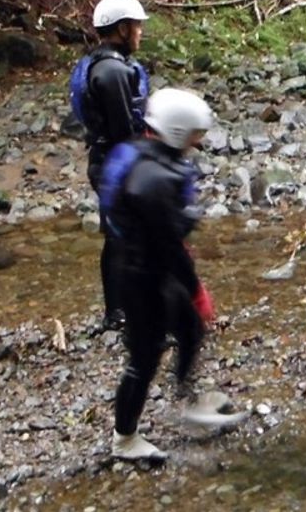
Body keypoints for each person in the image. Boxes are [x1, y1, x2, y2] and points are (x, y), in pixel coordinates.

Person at [102, 87, 224, 461]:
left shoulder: (147, 154)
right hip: (142, 276)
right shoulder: (153, 178)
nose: (198, 142)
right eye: (194, 135)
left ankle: (189, 401)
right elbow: (169, 243)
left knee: (190, 329)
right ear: (176, 132)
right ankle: (124, 439)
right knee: (145, 355)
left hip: (151, 267)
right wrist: (196, 288)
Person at [71, 0, 150, 332]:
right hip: (115, 163)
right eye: (137, 26)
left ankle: (116, 311)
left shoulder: (101, 64)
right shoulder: (113, 72)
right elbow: (123, 129)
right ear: (122, 28)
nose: (140, 33)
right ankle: (125, 312)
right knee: (127, 236)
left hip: (106, 161)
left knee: (117, 236)